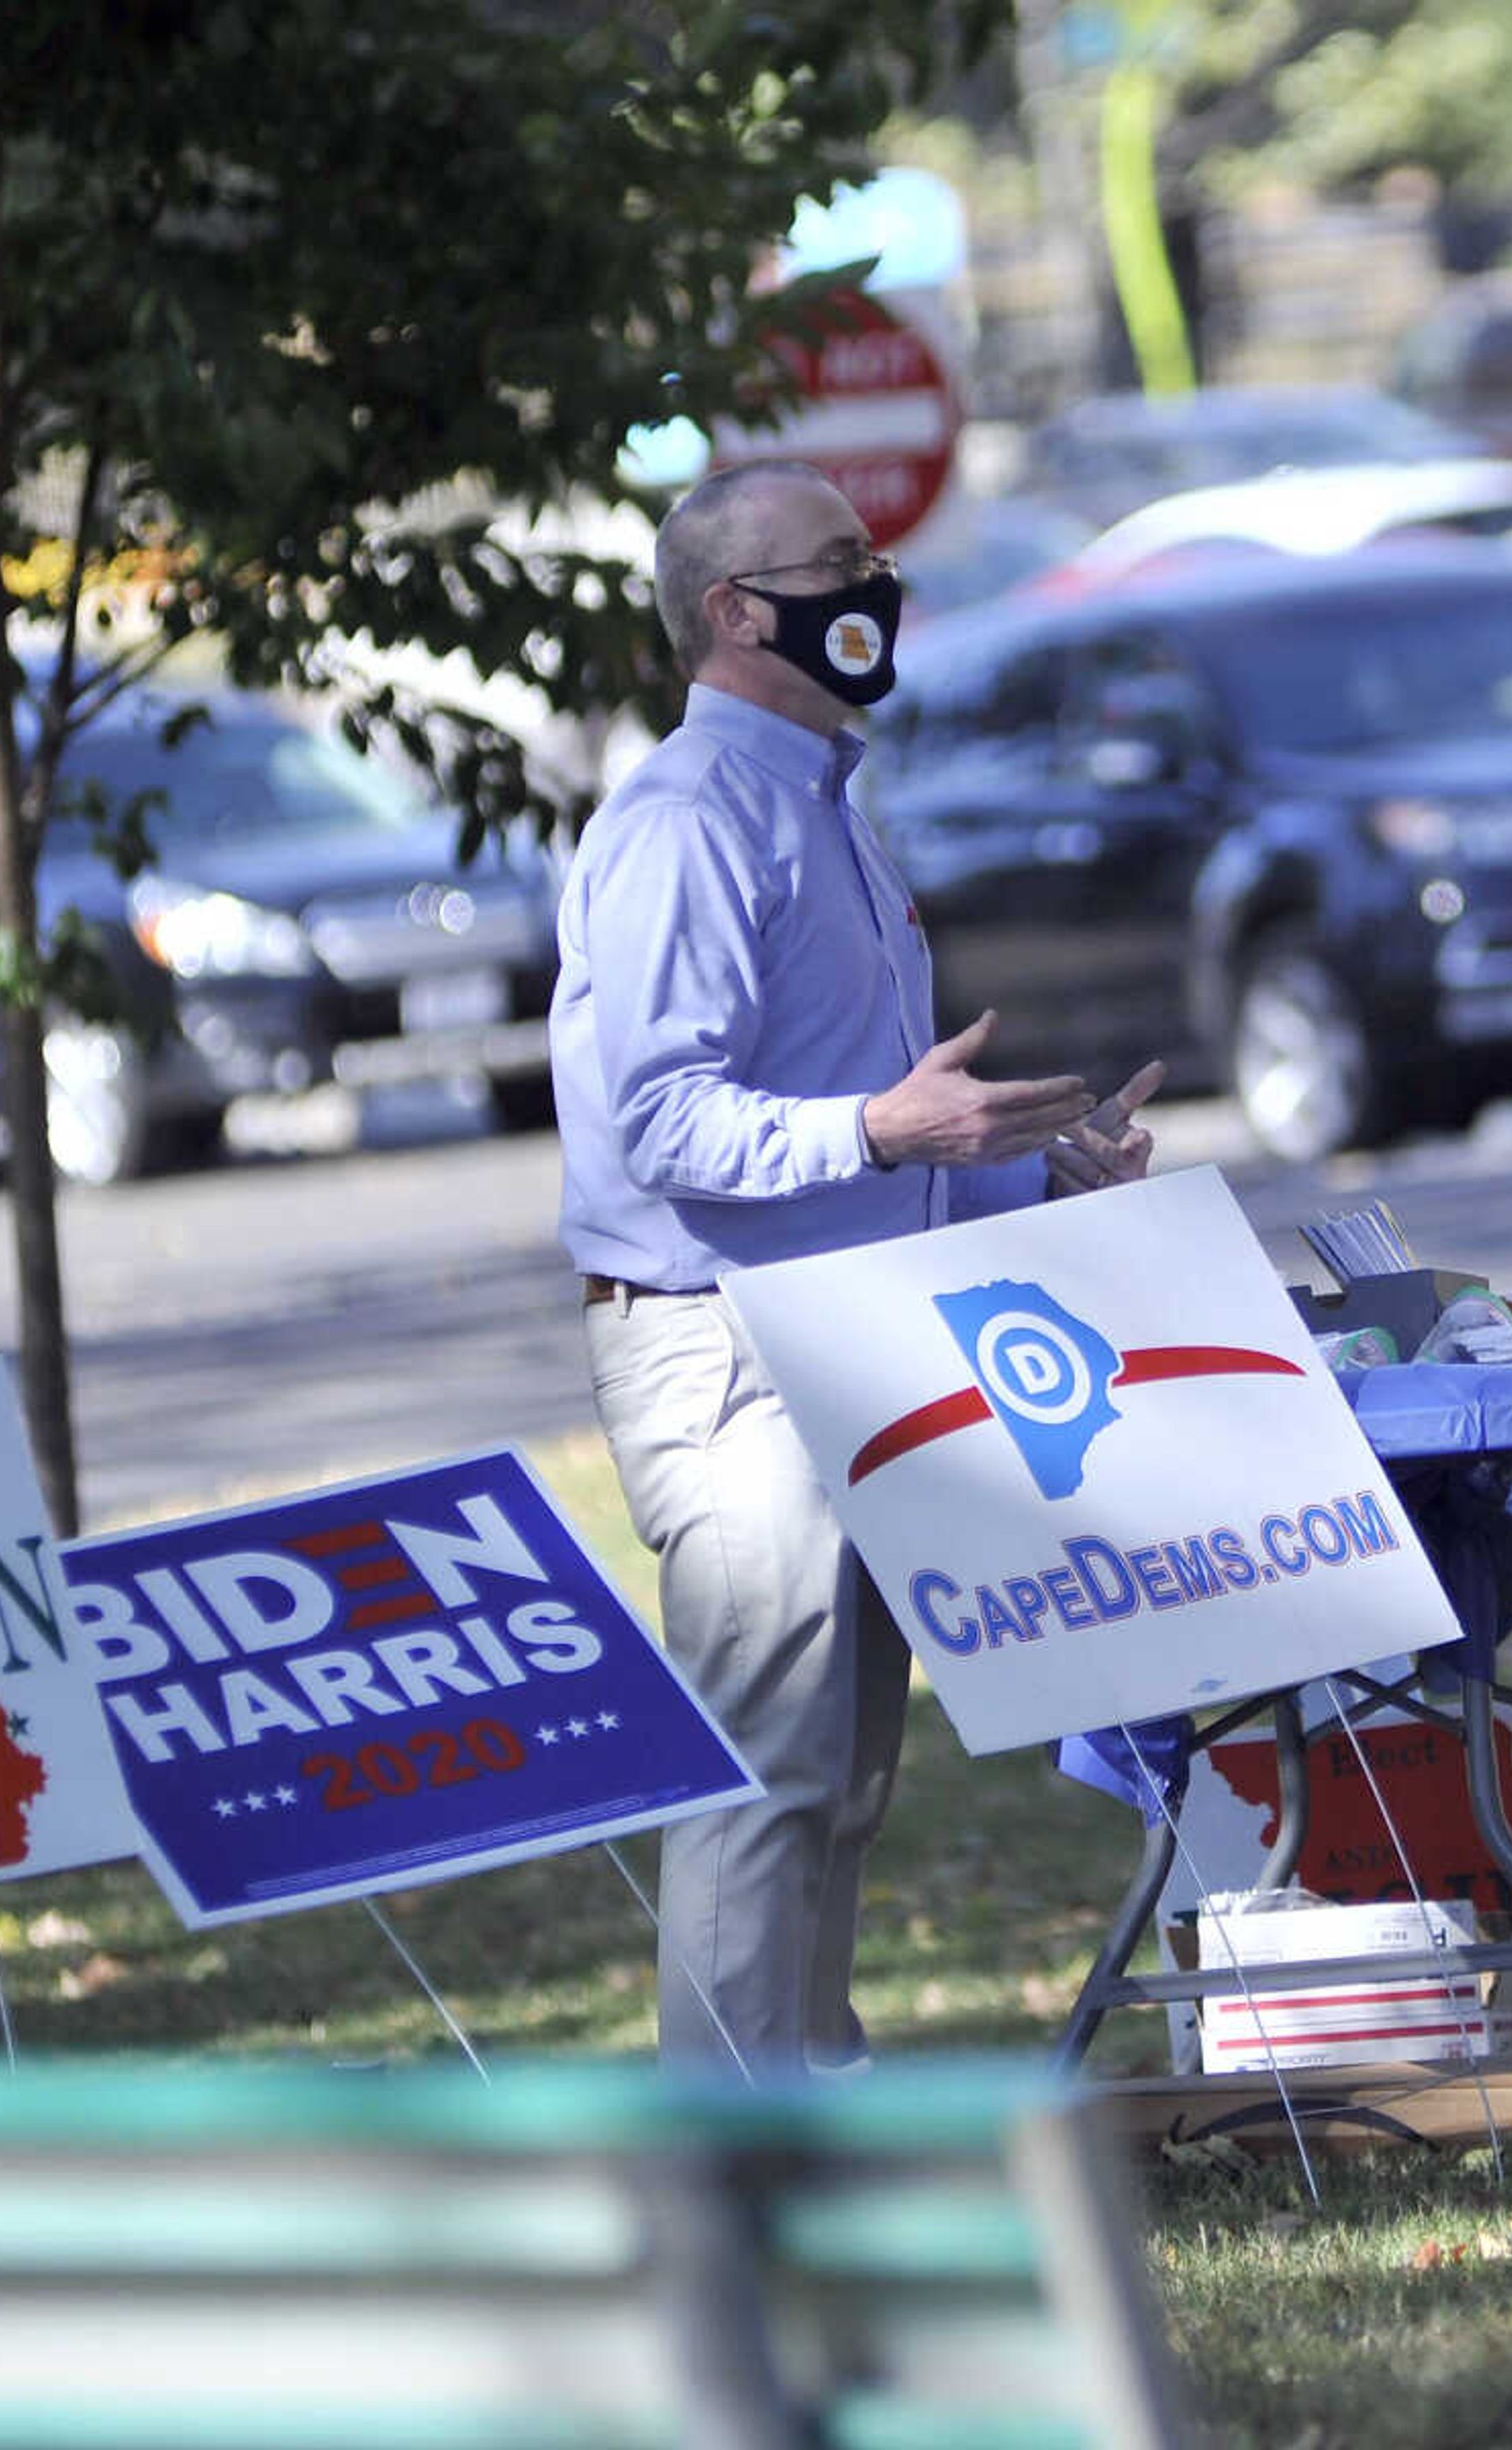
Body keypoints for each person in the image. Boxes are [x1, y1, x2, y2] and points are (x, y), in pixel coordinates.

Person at [551, 461, 1162, 2074]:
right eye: (837, 563)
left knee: (840, 1775)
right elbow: (669, 1120)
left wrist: (1039, 1160)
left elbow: (865, 1114)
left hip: (856, 1329)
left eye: (873, 556)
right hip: (729, 1348)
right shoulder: (686, 819)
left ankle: (804, 2105)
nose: (873, 588)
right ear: (737, 612)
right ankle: (738, 2147)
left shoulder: (826, 799)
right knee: (767, 1769)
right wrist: (890, 1130)